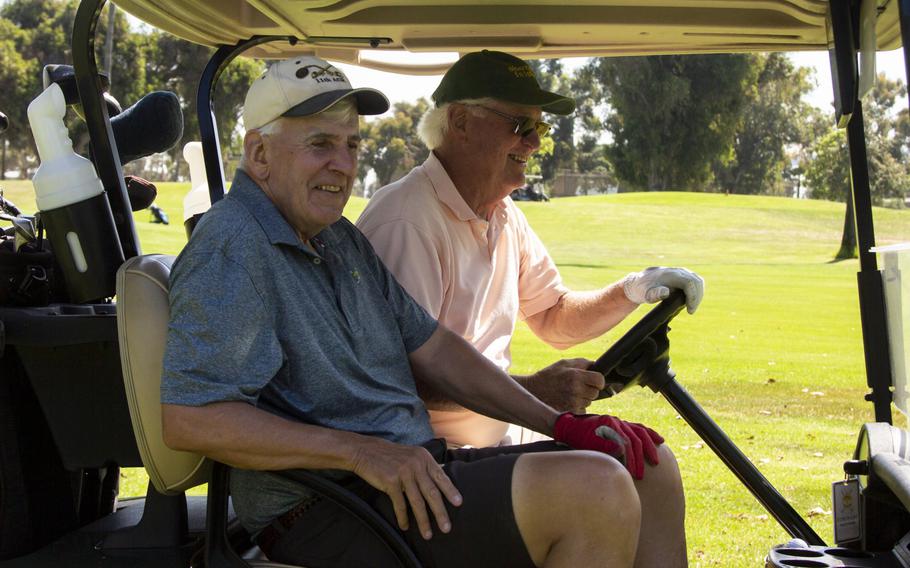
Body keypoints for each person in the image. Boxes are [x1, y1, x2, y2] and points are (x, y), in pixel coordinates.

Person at [161, 55, 686, 568]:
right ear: (259, 154)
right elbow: (190, 418)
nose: (342, 165)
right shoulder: (234, 246)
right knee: (594, 493)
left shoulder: (338, 239)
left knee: (645, 468)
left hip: (408, 476)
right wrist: (361, 453)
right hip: (325, 506)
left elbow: (434, 347)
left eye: (351, 145)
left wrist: (559, 423)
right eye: (320, 144)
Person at [357, 49, 705, 449]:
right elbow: (402, 377)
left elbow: (553, 316)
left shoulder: (502, 214)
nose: (535, 142)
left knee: (647, 456)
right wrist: (534, 391)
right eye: (521, 125)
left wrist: (633, 289)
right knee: (604, 480)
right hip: (430, 457)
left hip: (493, 437)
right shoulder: (407, 221)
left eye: (540, 127)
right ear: (461, 122)